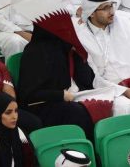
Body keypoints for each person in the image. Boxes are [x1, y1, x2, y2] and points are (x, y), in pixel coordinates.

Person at [16, 8, 97, 140]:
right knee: (78, 112)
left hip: (70, 98)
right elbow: (29, 95)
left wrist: (77, 53)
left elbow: (87, 80)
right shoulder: (34, 52)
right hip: (41, 106)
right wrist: (61, 95)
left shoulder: (64, 47)